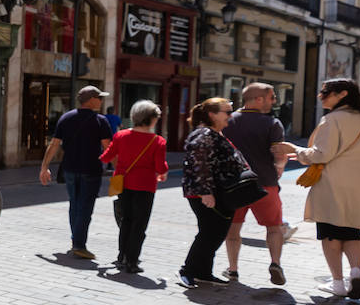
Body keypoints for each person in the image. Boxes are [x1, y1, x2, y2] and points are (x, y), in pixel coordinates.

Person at [276, 79, 360, 299]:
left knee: (330, 234)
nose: (320, 95)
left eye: (325, 92)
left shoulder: (332, 119)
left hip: (334, 183)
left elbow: (322, 154)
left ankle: (337, 283)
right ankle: (354, 272)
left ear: (342, 94)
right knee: (353, 231)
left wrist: (295, 148)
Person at [221, 83, 289, 286]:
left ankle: (233, 270)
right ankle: (275, 263)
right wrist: (279, 167)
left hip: (236, 185)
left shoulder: (228, 121)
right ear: (258, 99)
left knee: (233, 230)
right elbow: (279, 153)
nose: (274, 101)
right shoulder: (272, 123)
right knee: (274, 228)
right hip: (265, 184)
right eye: (271, 97)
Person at [39, 85, 113, 259]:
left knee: (75, 204)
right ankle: (79, 244)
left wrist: (44, 167)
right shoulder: (100, 121)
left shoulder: (66, 118)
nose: (101, 101)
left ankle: (76, 240)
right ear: (91, 100)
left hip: (70, 169)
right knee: (85, 207)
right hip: (91, 170)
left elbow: (54, 144)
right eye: (99, 97)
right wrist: (119, 169)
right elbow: (108, 148)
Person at [177, 97, 245, 289]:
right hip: (206, 194)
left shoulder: (215, 133)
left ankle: (203, 272)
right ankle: (187, 270)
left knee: (215, 233)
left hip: (219, 193)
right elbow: (200, 164)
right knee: (209, 233)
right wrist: (206, 192)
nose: (231, 116)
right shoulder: (204, 134)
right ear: (212, 114)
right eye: (227, 112)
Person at [99, 100, 168, 273]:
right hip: (145, 186)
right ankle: (132, 261)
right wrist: (163, 171)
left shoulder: (121, 136)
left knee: (126, 221)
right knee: (139, 224)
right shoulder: (158, 141)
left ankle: (121, 256)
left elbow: (106, 157)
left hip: (122, 184)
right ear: (151, 119)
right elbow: (160, 168)